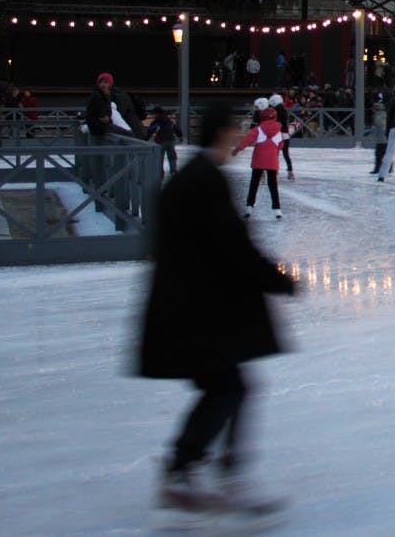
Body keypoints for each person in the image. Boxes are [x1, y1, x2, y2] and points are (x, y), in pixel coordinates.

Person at [136, 105, 295, 528]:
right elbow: (233, 246)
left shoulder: (188, 179)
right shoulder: (206, 182)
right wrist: (279, 281)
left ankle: (191, 468)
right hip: (199, 313)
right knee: (229, 388)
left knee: (225, 387)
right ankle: (201, 471)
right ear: (223, 134)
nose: (236, 141)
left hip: (186, 308)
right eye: (234, 134)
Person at [232, 107, 284, 219]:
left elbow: (247, 139)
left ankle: (249, 207)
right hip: (272, 161)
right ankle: (277, 210)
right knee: (273, 185)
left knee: (254, 183)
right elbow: (280, 145)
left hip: (259, 159)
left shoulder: (258, 129)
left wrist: (238, 149)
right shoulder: (278, 131)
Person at [146, 106, 184, 177]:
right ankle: (173, 171)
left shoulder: (156, 122)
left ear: (157, 113)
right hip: (170, 141)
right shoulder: (169, 121)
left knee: (159, 158)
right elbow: (177, 129)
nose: (153, 115)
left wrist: (145, 139)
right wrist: (180, 136)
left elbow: (150, 131)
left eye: (154, 114)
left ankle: (160, 173)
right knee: (172, 157)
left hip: (161, 142)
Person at [269, 94, 295, 181]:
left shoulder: (275, 110)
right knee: (286, 154)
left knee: (274, 154)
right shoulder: (284, 109)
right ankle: (290, 172)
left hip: (278, 134)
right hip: (285, 134)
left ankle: (275, 171)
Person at [369, 101, 388, 175]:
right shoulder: (385, 115)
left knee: (378, 154)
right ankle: (388, 167)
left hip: (381, 138)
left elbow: (379, 125)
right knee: (385, 153)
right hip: (385, 138)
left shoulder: (378, 116)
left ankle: (377, 169)